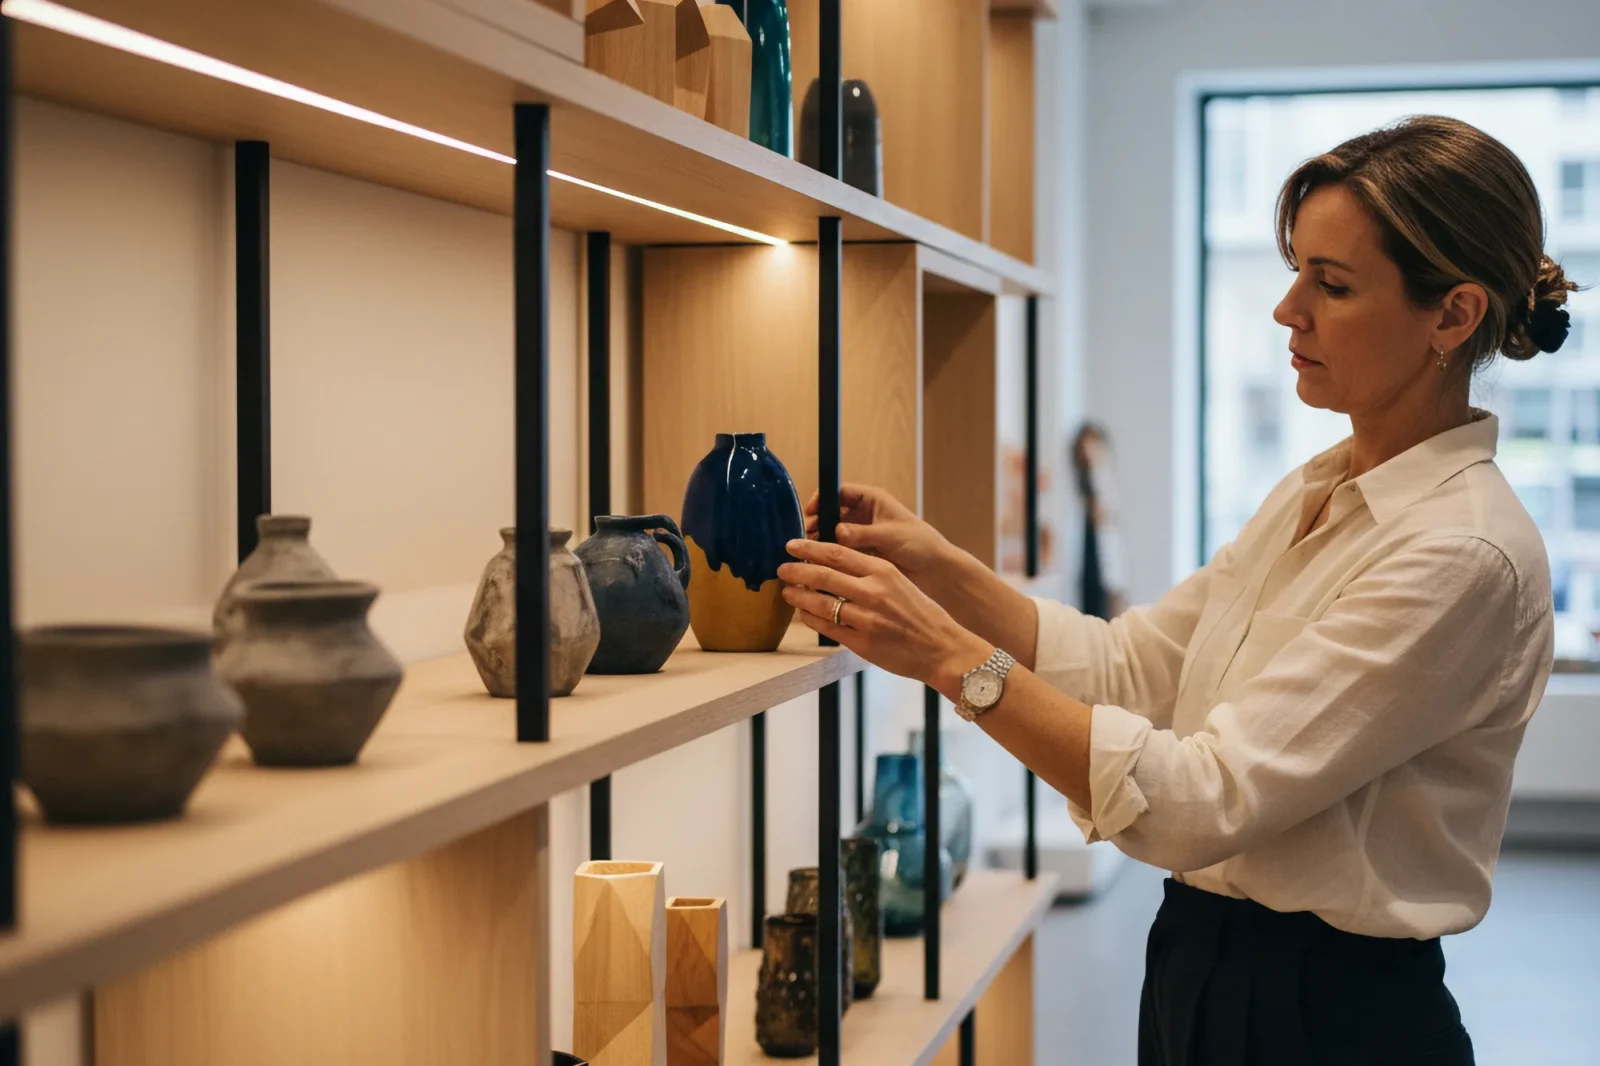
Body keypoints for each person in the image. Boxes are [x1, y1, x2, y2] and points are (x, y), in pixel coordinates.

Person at [779, 115, 1572, 1064]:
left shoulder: (1462, 553)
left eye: (1333, 284)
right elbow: (1132, 666)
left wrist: (950, 658)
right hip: (1199, 971)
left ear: (1453, 315)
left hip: (1331, 1018)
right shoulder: (1318, 489)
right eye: (1296, 272)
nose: (1288, 310)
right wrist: (940, 566)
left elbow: (1202, 798)